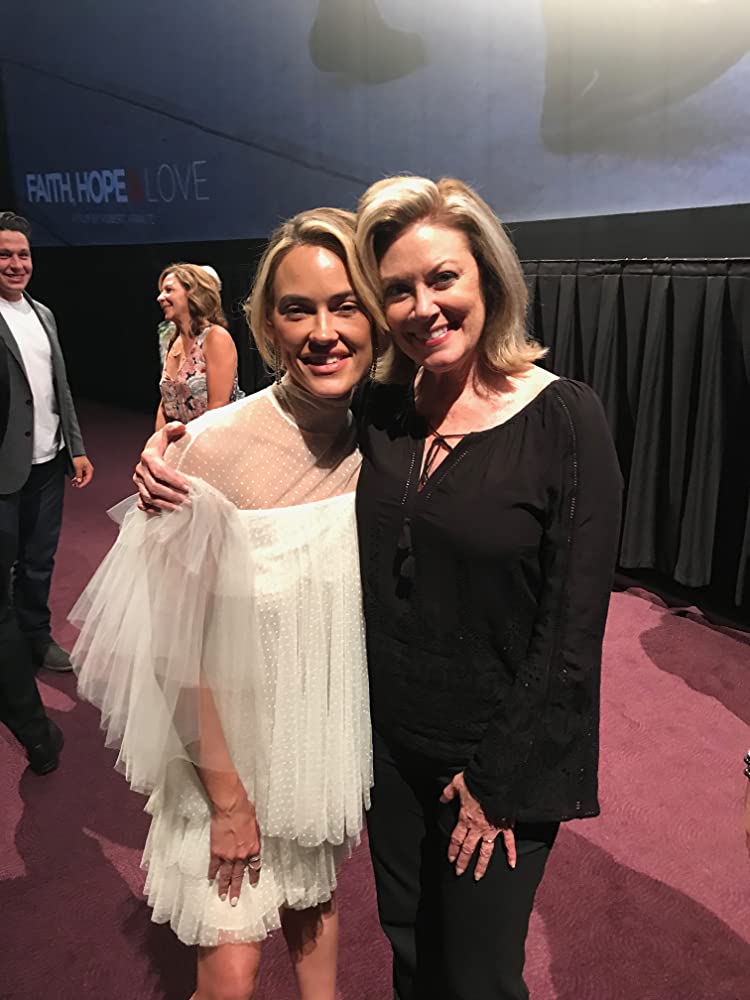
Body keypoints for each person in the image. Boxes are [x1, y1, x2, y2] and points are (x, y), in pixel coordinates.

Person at [132, 176, 623, 1000]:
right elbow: (256, 455)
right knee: (409, 954)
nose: (423, 306)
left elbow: (573, 629)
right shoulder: (389, 414)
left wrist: (499, 782)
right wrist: (166, 456)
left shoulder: (558, 418)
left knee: (477, 977)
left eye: (443, 279)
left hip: (489, 765)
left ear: (489, 278)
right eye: (397, 290)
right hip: (380, 756)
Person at [71, 208, 381, 1000]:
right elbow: (171, 650)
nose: (324, 331)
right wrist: (229, 801)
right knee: (231, 977)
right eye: (298, 309)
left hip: (315, 743)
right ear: (267, 326)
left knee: (315, 924)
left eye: (345, 305)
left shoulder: (386, 439)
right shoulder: (210, 449)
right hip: (221, 756)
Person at [0, 210, 93, 775]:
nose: (16, 264)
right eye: (5, 255)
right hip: (3, 471)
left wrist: (75, 446)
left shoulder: (44, 315)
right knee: (6, 566)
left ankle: (36, 637)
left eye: (23, 255)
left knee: (40, 560)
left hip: (48, 462)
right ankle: (12, 652)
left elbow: (60, 389)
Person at [155, 262, 241, 429]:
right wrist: (158, 440)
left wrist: (190, 444)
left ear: (192, 293)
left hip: (214, 438)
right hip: (181, 439)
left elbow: (218, 408)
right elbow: (165, 403)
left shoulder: (215, 337)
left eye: (169, 290)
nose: (160, 298)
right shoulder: (173, 341)